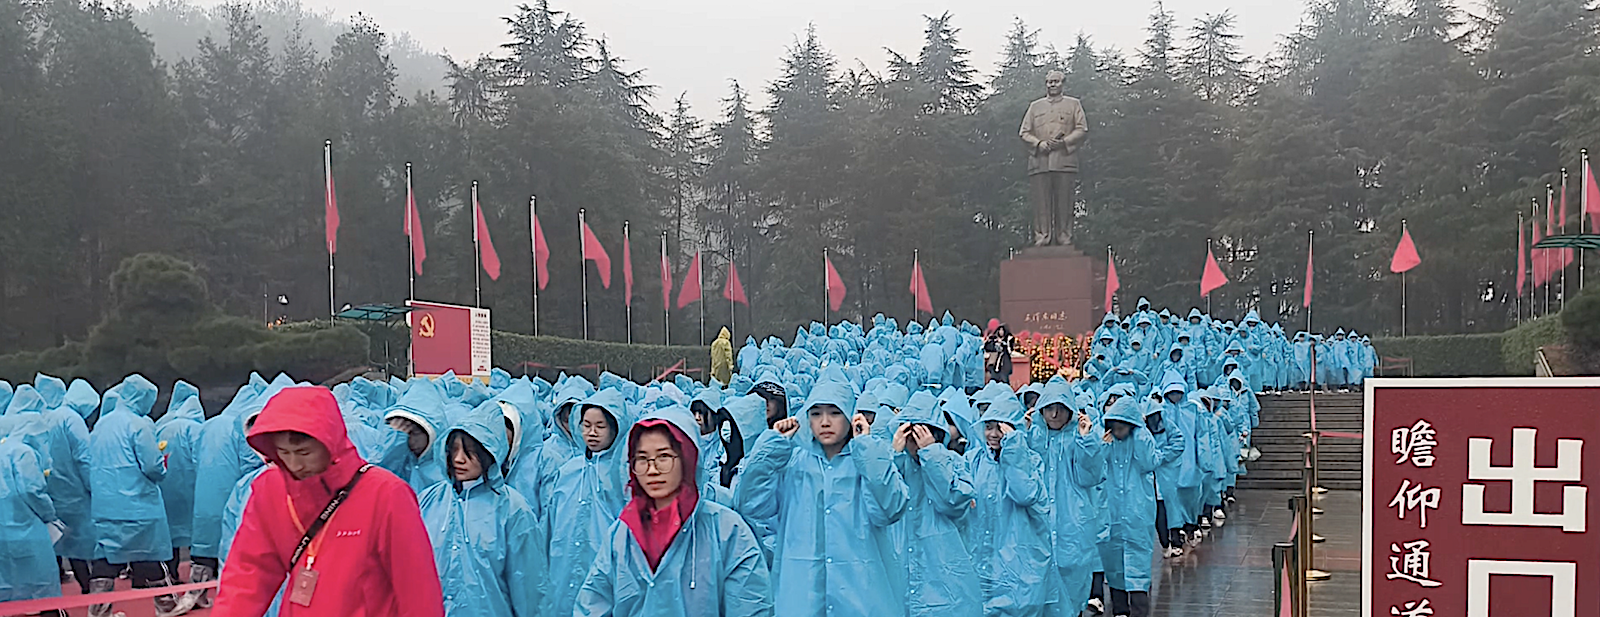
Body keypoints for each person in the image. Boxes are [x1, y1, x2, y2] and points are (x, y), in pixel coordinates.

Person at [214, 386, 444, 617]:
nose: (295, 464)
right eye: (284, 452)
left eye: (304, 453)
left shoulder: (386, 494)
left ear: (330, 443)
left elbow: (417, 588)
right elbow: (248, 576)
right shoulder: (270, 490)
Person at [735, 375, 909, 617]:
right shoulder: (792, 464)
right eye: (816, 413)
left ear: (850, 415)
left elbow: (891, 507)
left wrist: (867, 448)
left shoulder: (866, 462)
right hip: (801, 601)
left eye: (835, 413)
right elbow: (750, 504)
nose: (825, 422)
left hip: (862, 600)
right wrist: (772, 446)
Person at [576, 406, 773, 617]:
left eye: (664, 457)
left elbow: (750, 605)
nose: (652, 470)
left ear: (687, 458)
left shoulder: (726, 531)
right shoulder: (623, 534)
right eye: (642, 459)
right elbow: (593, 603)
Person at [418, 404, 545, 617]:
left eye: (470, 452)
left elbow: (528, 586)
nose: (459, 459)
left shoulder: (512, 509)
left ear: (490, 453)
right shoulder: (430, 501)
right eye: (454, 450)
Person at [86, 374, 191, 617]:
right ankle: (166, 604)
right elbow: (152, 467)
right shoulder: (140, 424)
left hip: (105, 505)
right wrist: (163, 465)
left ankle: (98, 610)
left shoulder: (102, 424)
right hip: (138, 506)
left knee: (106, 558)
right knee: (151, 554)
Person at [544, 388, 635, 617]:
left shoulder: (625, 476)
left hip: (605, 574)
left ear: (616, 428)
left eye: (600, 426)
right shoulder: (567, 472)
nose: (592, 433)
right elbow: (549, 527)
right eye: (586, 425)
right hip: (562, 574)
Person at [890, 391, 980, 617]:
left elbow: (953, 501)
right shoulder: (896, 466)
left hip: (945, 582)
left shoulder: (954, 463)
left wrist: (932, 454)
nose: (916, 442)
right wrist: (892, 455)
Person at [966, 395, 1053, 617]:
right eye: (988, 427)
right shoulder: (973, 460)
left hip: (1016, 563)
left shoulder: (1030, 461)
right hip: (980, 559)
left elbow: (1024, 494)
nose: (994, 434)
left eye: (1001, 428)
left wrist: (1013, 449)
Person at [1028, 381, 1105, 615]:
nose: (1054, 414)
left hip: (1073, 523)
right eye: (1049, 407)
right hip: (1037, 523)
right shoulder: (1032, 436)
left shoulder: (1079, 439)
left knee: (1072, 586)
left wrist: (1087, 440)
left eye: (1061, 408)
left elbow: (1091, 476)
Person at [1096, 397, 1168, 617]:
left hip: (1137, 513)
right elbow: (1095, 467)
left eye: (1122, 427)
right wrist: (1101, 443)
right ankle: (1119, 609)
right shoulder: (1108, 444)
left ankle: (1138, 611)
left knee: (1138, 566)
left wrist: (1141, 434)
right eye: (1114, 427)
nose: (1118, 432)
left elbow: (1150, 462)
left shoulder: (1140, 443)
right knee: (1114, 563)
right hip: (1112, 513)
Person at [0, 410, 66, 614]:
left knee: (11, 593)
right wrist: (50, 515)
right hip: (28, 529)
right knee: (43, 589)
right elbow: (31, 490)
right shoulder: (23, 453)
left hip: (4, 530)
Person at [156, 380, 204, 576]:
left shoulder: (161, 424)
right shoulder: (195, 428)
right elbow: (201, 458)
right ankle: (199, 579)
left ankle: (172, 576)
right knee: (197, 533)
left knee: (170, 535)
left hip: (166, 487)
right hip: (192, 487)